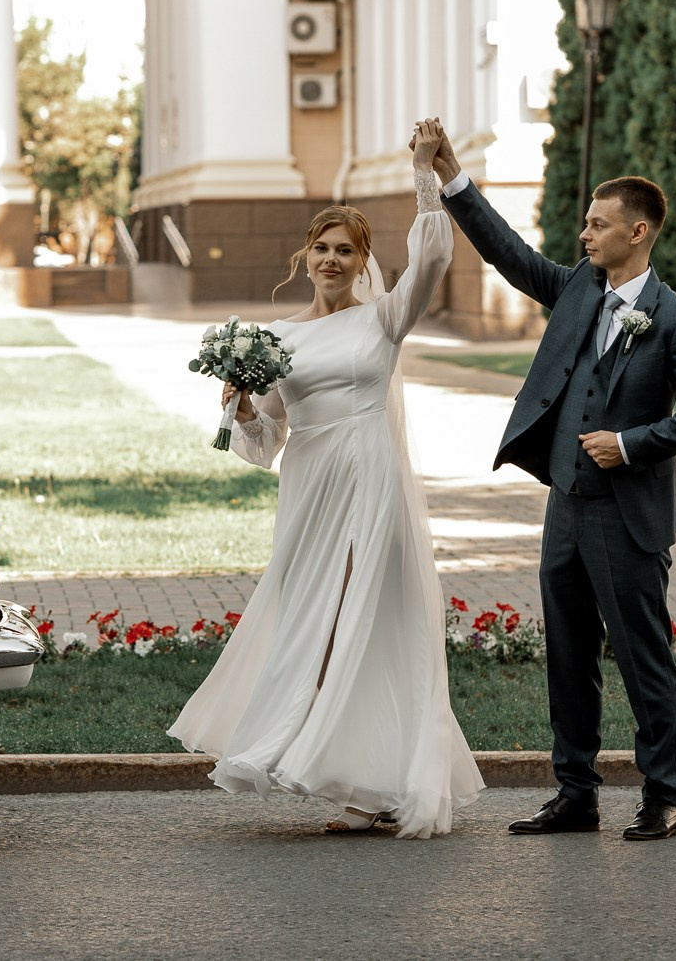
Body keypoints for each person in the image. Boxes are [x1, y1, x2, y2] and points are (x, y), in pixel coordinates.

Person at [169, 119, 483, 838]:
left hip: (370, 475)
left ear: (364, 260)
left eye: (346, 249)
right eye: (323, 247)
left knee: (365, 618)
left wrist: (422, 174)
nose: (332, 258)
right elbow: (267, 440)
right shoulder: (278, 338)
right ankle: (336, 762)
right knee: (312, 617)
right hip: (309, 486)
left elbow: (432, 260)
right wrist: (244, 406)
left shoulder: (384, 319)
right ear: (305, 255)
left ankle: (372, 781)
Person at [428, 134, 676, 842]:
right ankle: (576, 791)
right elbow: (508, 253)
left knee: (641, 655)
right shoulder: (575, 289)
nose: (584, 232)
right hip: (566, 504)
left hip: (628, 517)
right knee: (566, 654)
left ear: (638, 230)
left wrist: (630, 443)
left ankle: (663, 794)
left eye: (597, 223)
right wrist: (451, 175)